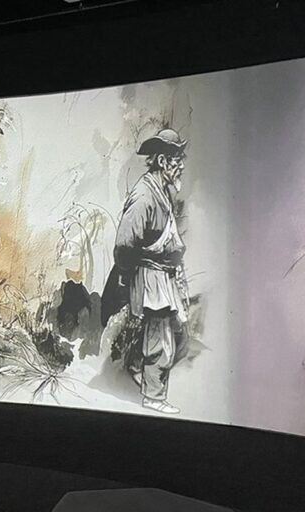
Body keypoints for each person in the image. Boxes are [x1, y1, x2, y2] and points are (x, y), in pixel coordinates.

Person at [100, 128, 190, 415]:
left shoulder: (162, 191)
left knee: (175, 333)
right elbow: (124, 245)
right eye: (177, 159)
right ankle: (153, 397)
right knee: (161, 340)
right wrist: (127, 278)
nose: (182, 165)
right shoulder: (144, 196)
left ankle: (138, 370)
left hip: (163, 276)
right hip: (151, 277)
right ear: (163, 161)